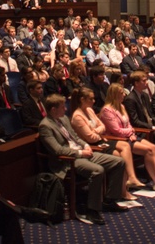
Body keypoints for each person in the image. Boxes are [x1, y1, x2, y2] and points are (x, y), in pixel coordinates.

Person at [38, 94, 126, 225]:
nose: (66, 109)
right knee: (98, 170)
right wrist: (80, 152)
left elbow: (75, 137)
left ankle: (109, 200)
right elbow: (57, 150)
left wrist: (86, 145)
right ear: (53, 109)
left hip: (83, 151)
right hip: (69, 160)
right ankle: (92, 210)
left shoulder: (64, 119)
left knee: (119, 162)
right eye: (62, 107)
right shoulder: (45, 126)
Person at [99, 83, 155, 191]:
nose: (124, 95)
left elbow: (129, 124)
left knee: (153, 147)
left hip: (129, 137)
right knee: (148, 150)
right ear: (114, 95)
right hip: (118, 140)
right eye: (121, 93)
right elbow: (116, 131)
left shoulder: (121, 106)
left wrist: (131, 133)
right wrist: (130, 133)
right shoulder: (107, 110)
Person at [69, 88, 140, 200]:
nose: (94, 101)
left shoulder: (89, 110)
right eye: (91, 99)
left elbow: (102, 126)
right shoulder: (77, 116)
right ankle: (122, 191)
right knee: (119, 155)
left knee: (125, 146)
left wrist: (95, 130)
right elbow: (90, 138)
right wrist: (97, 131)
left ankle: (129, 181)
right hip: (93, 146)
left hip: (101, 140)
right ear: (82, 100)